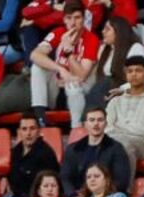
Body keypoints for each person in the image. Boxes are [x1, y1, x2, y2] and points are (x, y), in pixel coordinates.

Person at [28, 0, 96, 130]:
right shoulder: (58, 32)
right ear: (64, 19)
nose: (73, 22)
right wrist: (60, 69)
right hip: (57, 87)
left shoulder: (91, 39)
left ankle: (77, 129)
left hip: (80, 90)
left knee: (74, 85)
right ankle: (40, 117)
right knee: (37, 68)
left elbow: (82, 75)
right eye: (69, 18)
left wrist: (68, 53)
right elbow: (34, 55)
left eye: (77, 17)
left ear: (83, 19)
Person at [60, 105, 131, 197]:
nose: (96, 124)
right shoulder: (73, 149)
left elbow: (121, 181)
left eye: (100, 120)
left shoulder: (116, 148)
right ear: (85, 124)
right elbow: (65, 177)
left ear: (106, 123)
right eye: (92, 120)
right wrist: (73, 196)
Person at [105, 55, 144, 168]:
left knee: (123, 144)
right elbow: (107, 127)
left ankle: (125, 186)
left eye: (138, 71)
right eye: (130, 71)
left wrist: (118, 127)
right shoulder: (116, 101)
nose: (134, 74)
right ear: (125, 74)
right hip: (116, 139)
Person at [7, 113, 61, 197]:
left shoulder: (46, 153)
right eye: (24, 129)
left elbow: (46, 186)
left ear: (38, 131)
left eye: (32, 129)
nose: (28, 133)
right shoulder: (16, 151)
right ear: (19, 132)